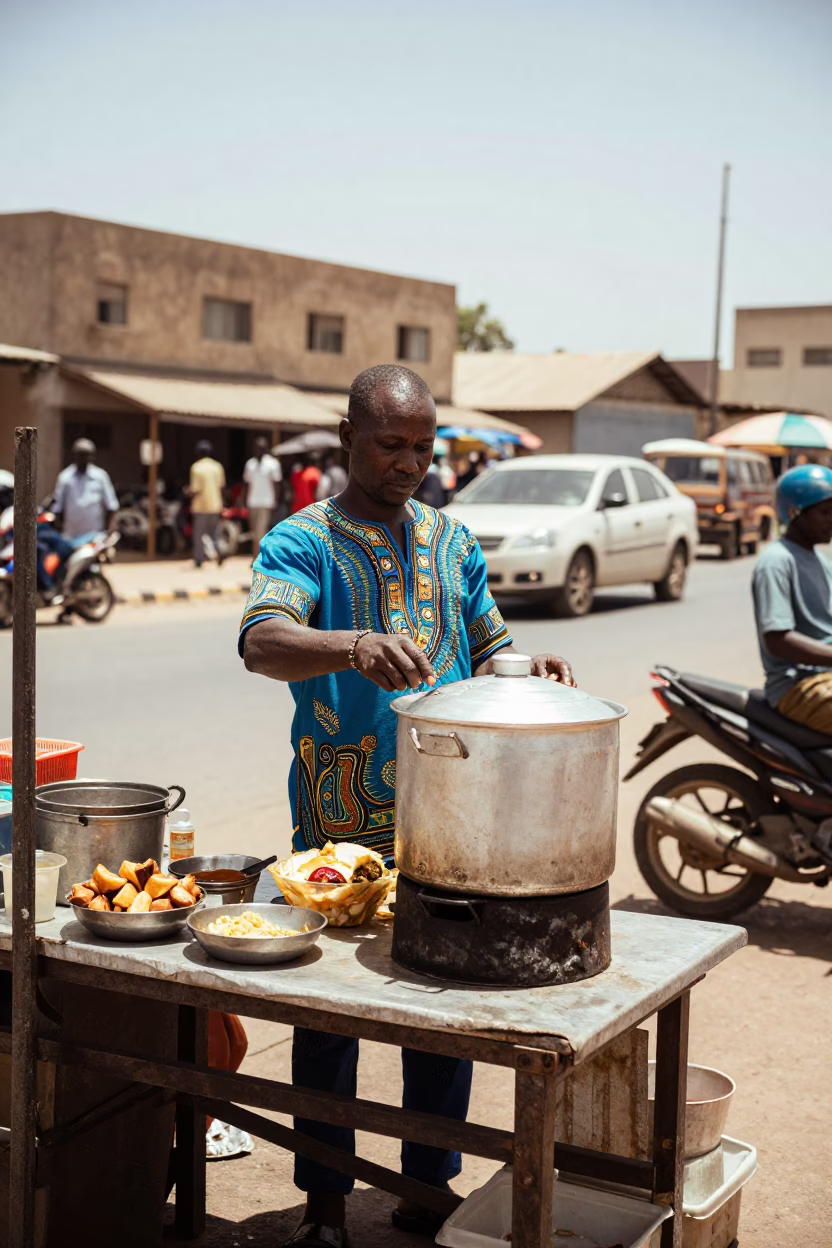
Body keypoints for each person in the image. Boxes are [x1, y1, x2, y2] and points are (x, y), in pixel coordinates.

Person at [240, 364, 574, 1248]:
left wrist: (532, 668)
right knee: (332, 1025)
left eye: (423, 447)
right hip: (338, 831)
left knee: (440, 1011)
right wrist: (349, 644)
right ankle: (323, 1204)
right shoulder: (304, 540)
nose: (409, 462)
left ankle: (429, 1188)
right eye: (391, 443)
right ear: (348, 436)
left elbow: (492, 642)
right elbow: (262, 640)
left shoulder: (452, 540)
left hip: (449, 824)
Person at [753, 463, 832, 733]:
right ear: (794, 513)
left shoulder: (821, 561)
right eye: (825, 512)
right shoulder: (776, 562)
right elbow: (778, 640)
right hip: (799, 687)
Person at [52, 438, 118, 539]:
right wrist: (59, 530)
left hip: (95, 537)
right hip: (70, 537)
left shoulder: (100, 476)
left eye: (87, 455)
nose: (83, 458)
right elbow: (57, 507)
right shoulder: (65, 477)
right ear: (75, 455)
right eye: (80, 454)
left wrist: (108, 531)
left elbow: (112, 507)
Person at [244, 436, 282, 560]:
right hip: (252, 502)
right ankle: (258, 555)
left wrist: (275, 501)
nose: (258, 450)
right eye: (256, 447)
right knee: (254, 532)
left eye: (261, 448)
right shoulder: (250, 464)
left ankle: (258, 557)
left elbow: (277, 484)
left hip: (266, 502)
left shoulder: (272, 464)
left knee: (260, 532)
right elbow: (247, 484)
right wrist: (243, 500)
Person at [189, 440, 226, 567]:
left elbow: (195, 488)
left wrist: (187, 492)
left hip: (201, 505)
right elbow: (221, 486)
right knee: (214, 533)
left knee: (199, 534)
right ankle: (220, 551)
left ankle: (199, 559)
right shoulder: (217, 467)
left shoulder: (196, 467)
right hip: (215, 505)